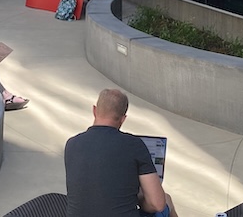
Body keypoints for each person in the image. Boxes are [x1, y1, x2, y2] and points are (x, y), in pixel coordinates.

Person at [64, 88, 179, 217]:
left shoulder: (71, 144)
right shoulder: (134, 145)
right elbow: (157, 204)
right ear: (123, 119)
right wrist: (140, 199)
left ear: (94, 110)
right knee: (166, 200)